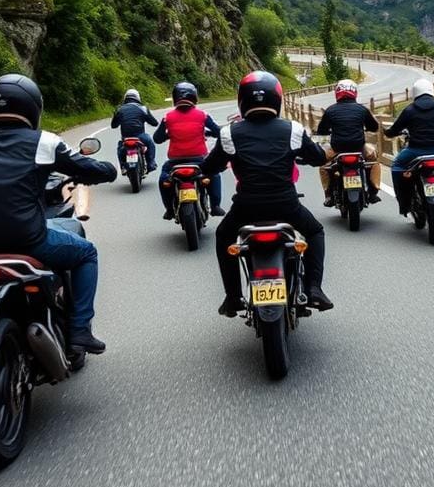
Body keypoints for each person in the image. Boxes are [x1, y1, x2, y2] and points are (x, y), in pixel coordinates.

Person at [0, 74, 117, 371]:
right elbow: (83, 167)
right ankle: (80, 330)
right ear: (33, 108)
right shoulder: (44, 142)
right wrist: (107, 170)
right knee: (87, 253)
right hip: (30, 240)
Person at [202, 71, 334, 317]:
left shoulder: (229, 132)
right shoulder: (293, 129)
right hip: (286, 205)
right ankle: (314, 289)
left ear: (242, 100)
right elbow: (317, 157)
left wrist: (204, 170)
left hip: (246, 207)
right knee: (315, 232)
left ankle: (232, 297)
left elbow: (211, 165)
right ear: (277, 99)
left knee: (223, 236)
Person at [384, 78, 434, 215]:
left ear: (415, 93)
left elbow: (394, 130)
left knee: (397, 167)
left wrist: (389, 133)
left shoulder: (409, 110)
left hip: (415, 151)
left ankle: (404, 204)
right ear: (431, 91)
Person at [154, 81, 225, 219]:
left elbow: (157, 138)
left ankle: (169, 210)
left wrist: (169, 134)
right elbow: (218, 132)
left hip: (175, 162)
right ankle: (215, 206)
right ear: (194, 97)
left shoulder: (167, 117)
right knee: (214, 174)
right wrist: (208, 133)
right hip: (199, 160)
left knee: (164, 179)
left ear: (175, 98)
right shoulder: (203, 115)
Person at [315, 79, 381, 205]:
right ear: (354, 92)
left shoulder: (330, 110)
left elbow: (321, 130)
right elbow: (374, 127)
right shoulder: (362, 110)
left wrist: (325, 132)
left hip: (337, 148)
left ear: (337, 93)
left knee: (324, 164)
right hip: (359, 147)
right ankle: (373, 191)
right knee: (373, 159)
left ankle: (328, 194)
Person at [110, 88, 158, 172]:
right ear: (137, 97)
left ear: (125, 98)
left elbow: (114, 125)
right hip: (140, 136)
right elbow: (154, 123)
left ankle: (123, 167)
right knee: (150, 143)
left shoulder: (119, 109)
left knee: (120, 148)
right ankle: (151, 164)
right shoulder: (143, 108)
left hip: (126, 138)